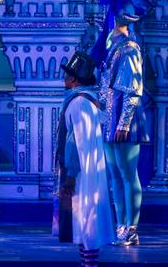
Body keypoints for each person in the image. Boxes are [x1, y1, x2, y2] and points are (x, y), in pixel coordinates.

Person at [91, 0, 149, 246]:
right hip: (109, 117)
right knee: (114, 173)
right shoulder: (109, 45)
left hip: (126, 118)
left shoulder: (129, 48)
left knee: (127, 174)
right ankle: (120, 225)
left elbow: (133, 90)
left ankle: (131, 228)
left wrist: (124, 123)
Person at [54, 51, 114, 267]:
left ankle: (89, 263)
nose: (64, 79)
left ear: (73, 79)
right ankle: (87, 262)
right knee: (85, 220)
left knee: (84, 219)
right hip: (88, 167)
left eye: (67, 75)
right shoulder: (88, 102)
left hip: (79, 171)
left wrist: (70, 175)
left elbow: (74, 142)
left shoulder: (78, 103)